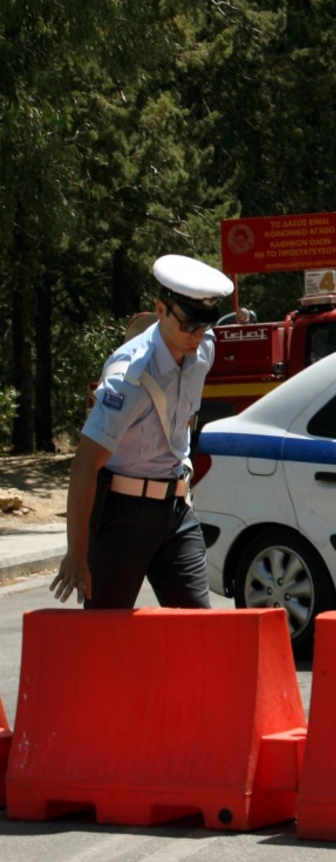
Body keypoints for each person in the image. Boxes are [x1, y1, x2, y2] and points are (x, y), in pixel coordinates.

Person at [50, 254, 234, 608]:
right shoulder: (128, 378)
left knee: (199, 631)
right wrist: (77, 552)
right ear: (161, 309)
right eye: (188, 325)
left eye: (204, 325)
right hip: (122, 517)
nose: (197, 335)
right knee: (107, 634)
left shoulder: (203, 350)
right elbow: (85, 463)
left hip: (177, 510)